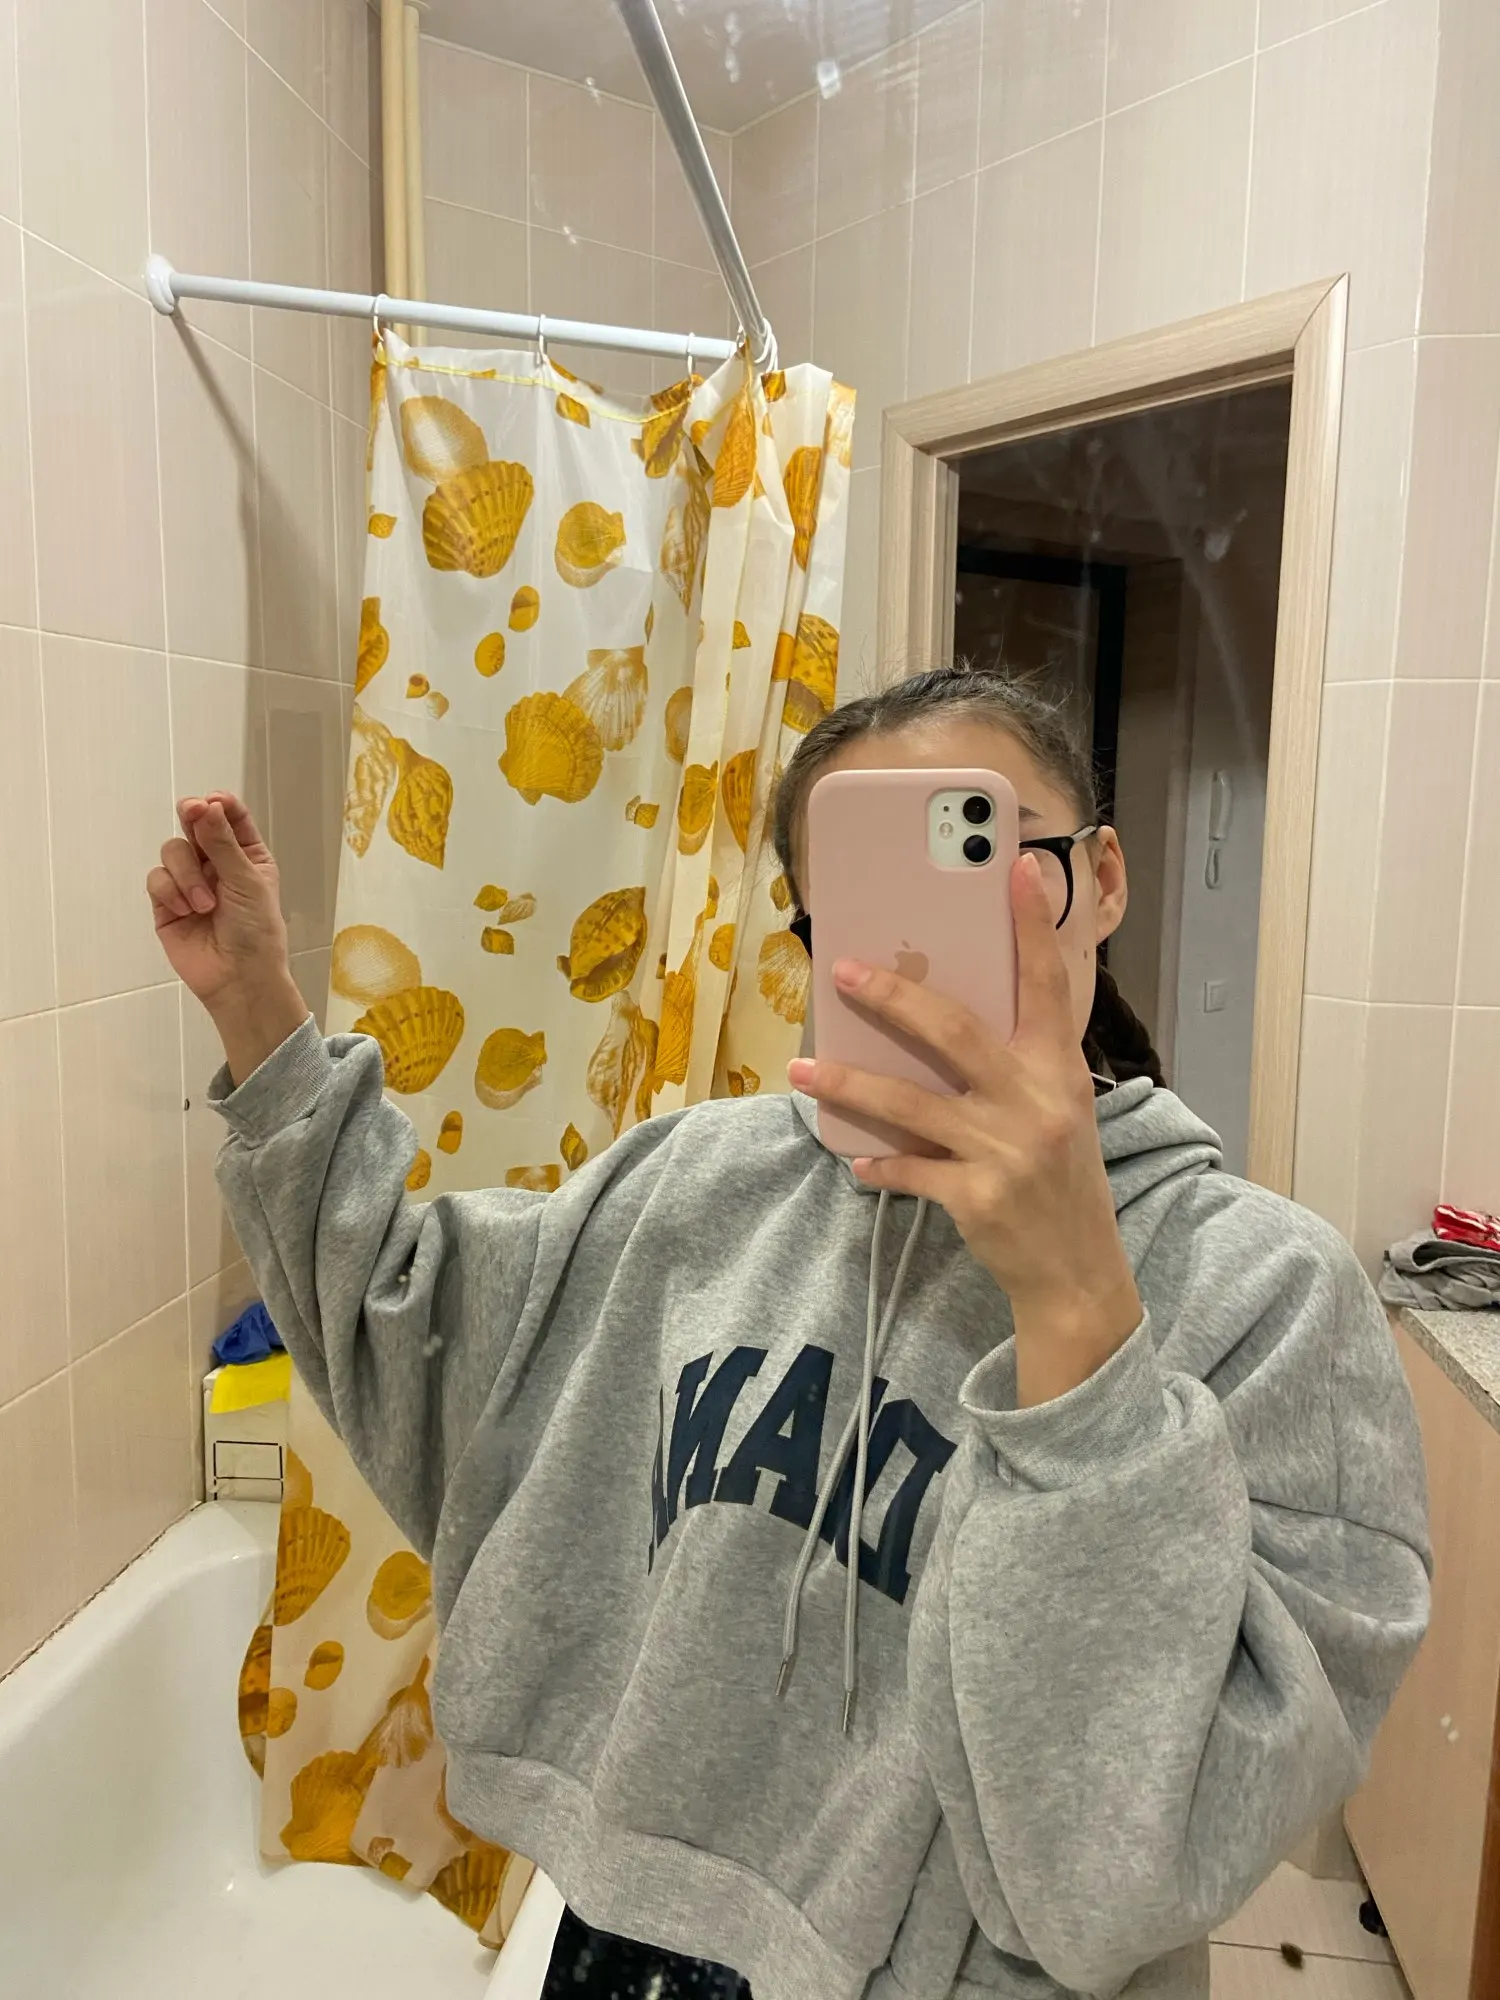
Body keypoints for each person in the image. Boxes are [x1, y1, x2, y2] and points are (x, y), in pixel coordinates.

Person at [147, 667, 1430, 2000]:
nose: (940, 941)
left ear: (1101, 879)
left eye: (997, 863)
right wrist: (259, 1013)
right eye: (871, 899)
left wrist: (1076, 1313)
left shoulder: (1271, 1297)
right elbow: (411, 1345)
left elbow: (1115, 1876)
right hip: (630, 1943)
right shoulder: (693, 1184)